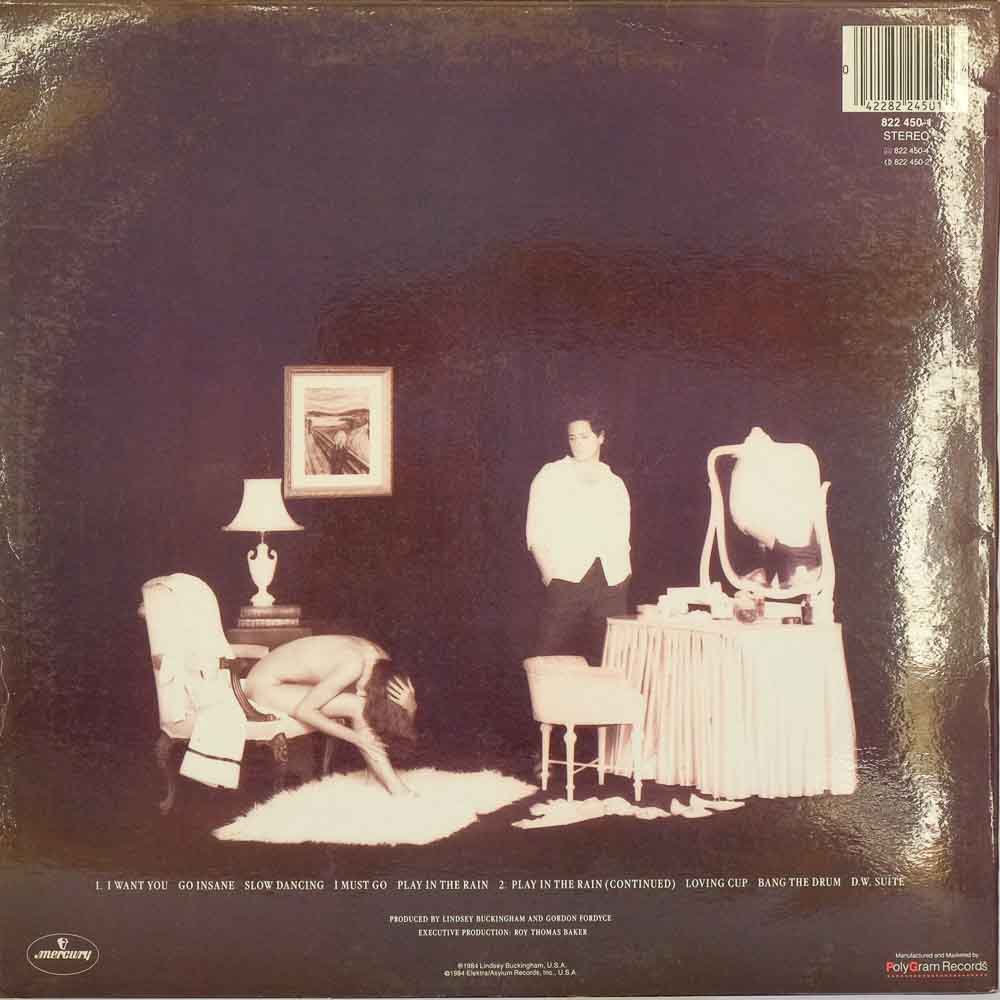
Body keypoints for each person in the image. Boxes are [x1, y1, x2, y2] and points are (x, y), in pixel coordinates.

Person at [244, 636, 418, 797]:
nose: (361, 693)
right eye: (365, 691)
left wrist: (411, 706)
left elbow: (389, 721)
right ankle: (398, 790)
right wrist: (358, 739)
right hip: (264, 686)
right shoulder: (353, 665)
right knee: (357, 706)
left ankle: (376, 776)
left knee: (360, 704)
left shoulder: (379, 660)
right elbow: (305, 711)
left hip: (285, 679)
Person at [525, 412, 632, 665]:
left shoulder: (614, 482)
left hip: (611, 581)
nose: (577, 443)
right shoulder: (552, 474)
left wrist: (623, 576)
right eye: (572, 438)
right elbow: (536, 530)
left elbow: (622, 535)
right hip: (567, 579)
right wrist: (549, 575)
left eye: (584, 437)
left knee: (610, 660)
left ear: (601, 437)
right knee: (545, 659)